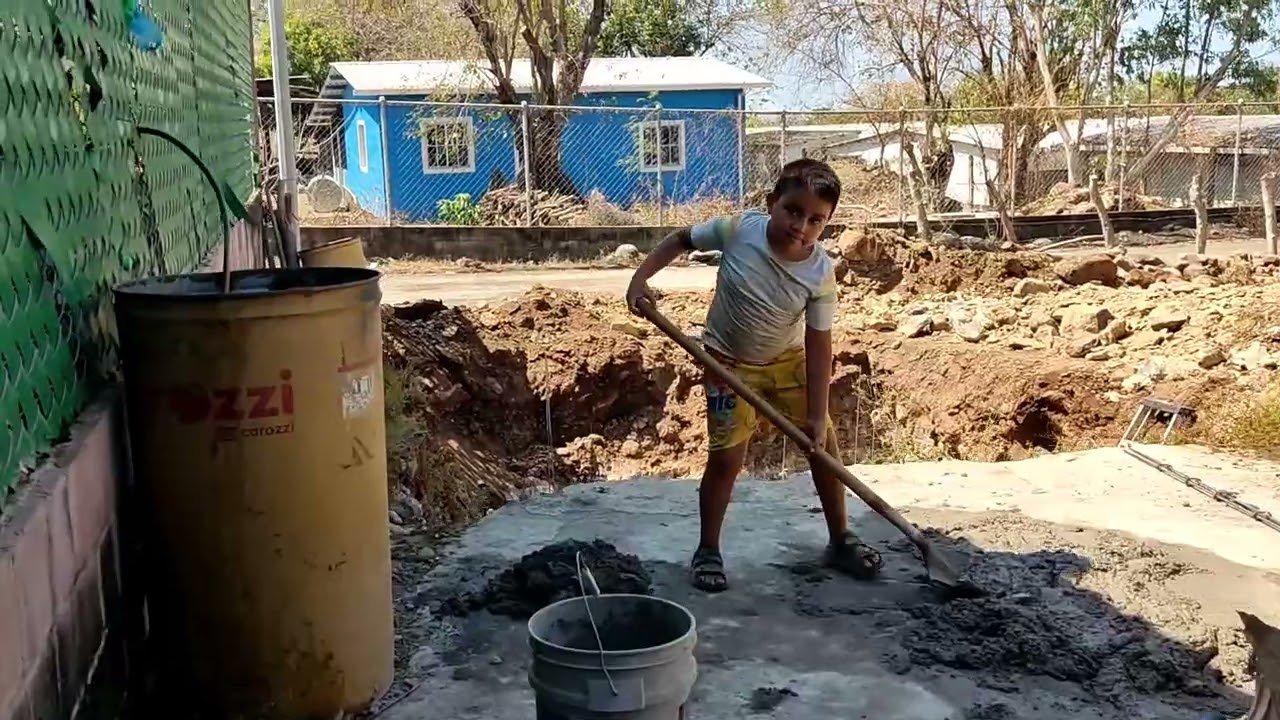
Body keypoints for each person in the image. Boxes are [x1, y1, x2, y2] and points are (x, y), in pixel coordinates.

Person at [625, 158, 883, 593]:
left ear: (828, 224)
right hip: (726, 364)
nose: (801, 226)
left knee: (824, 448)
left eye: (816, 220)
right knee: (727, 458)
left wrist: (817, 414)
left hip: (788, 363)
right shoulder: (739, 231)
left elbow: (820, 345)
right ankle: (708, 548)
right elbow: (680, 239)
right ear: (771, 204)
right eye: (793, 211)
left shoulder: (821, 274)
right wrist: (639, 279)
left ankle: (840, 539)